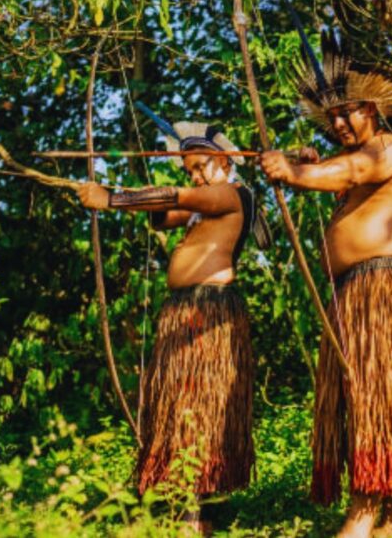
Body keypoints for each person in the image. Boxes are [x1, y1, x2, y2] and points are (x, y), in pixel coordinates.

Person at [260, 33, 392, 537]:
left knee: (381, 399)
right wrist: (304, 168)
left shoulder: (391, 147)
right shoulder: (354, 160)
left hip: (383, 292)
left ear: (373, 108)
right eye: (331, 118)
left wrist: (294, 171)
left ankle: (362, 517)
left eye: (347, 112)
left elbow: (352, 169)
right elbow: (339, 174)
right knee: (370, 402)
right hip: (354, 294)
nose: (337, 124)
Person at [75, 122, 263, 535]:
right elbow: (163, 214)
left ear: (225, 161)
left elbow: (175, 196)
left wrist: (112, 199)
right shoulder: (202, 205)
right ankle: (186, 510)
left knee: (200, 411)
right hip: (186, 310)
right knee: (180, 411)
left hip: (208, 313)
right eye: (189, 169)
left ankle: (199, 516)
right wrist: (106, 194)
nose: (194, 175)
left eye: (200, 166)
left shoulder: (230, 194)